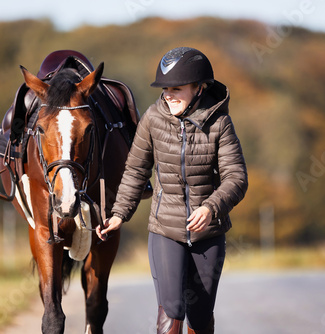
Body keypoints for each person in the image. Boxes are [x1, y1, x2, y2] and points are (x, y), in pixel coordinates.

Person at [96, 47, 248, 334]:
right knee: (171, 313)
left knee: (201, 318)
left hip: (208, 233)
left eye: (176, 88)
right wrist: (119, 214)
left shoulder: (220, 123)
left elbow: (236, 177)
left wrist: (210, 207)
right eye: (165, 89)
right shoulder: (152, 119)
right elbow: (136, 171)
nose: (168, 95)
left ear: (199, 88)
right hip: (165, 229)